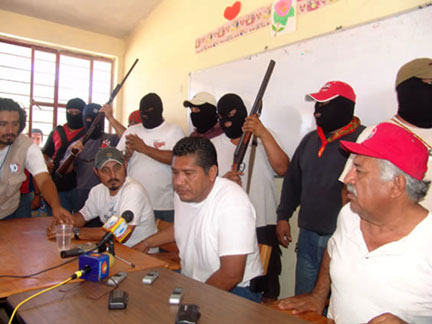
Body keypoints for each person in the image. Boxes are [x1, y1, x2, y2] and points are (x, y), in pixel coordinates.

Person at [279, 122, 432, 324]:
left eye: (358, 170)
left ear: (396, 185)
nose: (348, 178)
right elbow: (333, 250)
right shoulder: (349, 216)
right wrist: (318, 295)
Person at [134, 137, 263, 302]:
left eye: (188, 173)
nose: (179, 182)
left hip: (235, 290)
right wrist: (146, 244)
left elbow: (231, 275)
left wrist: (192, 300)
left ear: (211, 173)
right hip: (193, 280)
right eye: (175, 172)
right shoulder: (184, 193)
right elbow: (183, 224)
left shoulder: (233, 203)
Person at [276, 81, 365, 295]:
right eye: (317, 104)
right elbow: (293, 182)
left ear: (345, 106)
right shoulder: (310, 140)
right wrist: (283, 217)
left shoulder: (363, 140)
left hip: (343, 240)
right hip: (307, 237)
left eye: (325, 104)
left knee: (335, 304)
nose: (317, 111)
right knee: (304, 304)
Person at [212, 93, 289, 302]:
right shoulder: (214, 146)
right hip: (228, 226)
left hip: (263, 224)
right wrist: (224, 184)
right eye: (222, 117)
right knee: (232, 287)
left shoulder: (264, 137)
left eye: (232, 115)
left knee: (268, 290)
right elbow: (206, 190)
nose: (227, 122)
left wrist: (262, 133)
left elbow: (283, 168)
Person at [340, 57, 432, 208]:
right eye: (429, 83)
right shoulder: (376, 134)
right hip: (397, 230)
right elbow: (350, 190)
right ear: (407, 89)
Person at [47, 147, 157, 248]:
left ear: (125, 165)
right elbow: (82, 217)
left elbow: (120, 234)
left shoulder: (133, 191)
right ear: (96, 172)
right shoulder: (97, 191)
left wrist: (76, 232)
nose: (113, 175)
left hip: (140, 255)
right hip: (115, 250)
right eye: (105, 170)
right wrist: (64, 224)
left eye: (117, 168)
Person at [0, 98, 71, 222]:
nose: (10, 130)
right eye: (3, 124)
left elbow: (44, 180)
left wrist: (56, 206)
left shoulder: (26, 146)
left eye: (15, 124)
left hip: (7, 213)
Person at [117, 93, 185, 223]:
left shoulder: (174, 130)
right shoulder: (131, 131)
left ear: (159, 110)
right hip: (133, 201)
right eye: (142, 112)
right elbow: (116, 161)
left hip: (164, 206)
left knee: (163, 242)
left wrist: (144, 148)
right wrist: (126, 155)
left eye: (149, 111)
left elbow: (179, 159)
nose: (145, 115)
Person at [63, 103, 119, 212]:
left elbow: (127, 137)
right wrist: (73, 153)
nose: (93, 123)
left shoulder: (111, 139)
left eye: (96, 119)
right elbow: (65, 170)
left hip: (107, 190)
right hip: (83, 193)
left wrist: (110, 118)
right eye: (89, 119)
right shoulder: (77, 144)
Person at [42, 98, 86, 213]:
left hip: (79, 185)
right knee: (57, 221)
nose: (73, 115)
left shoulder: (88, 133)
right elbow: (46, 153)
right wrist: (46, 163)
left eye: (77, 113)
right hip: (57, 184)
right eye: (70, 112)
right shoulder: (57, 131)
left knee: (80, 223)